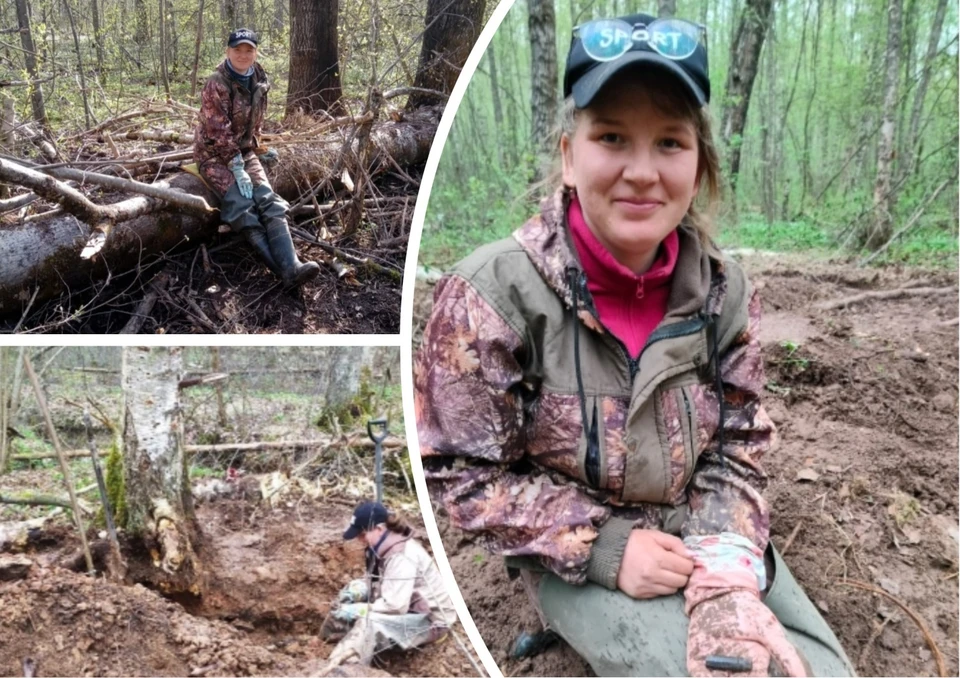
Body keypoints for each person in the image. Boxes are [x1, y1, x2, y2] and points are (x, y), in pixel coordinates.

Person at [415, 13, 855, 677]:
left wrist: (727, 577)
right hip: (567, 548)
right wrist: (606, 546)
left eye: (670, 143)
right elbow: (460, 472)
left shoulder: (723, 292)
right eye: (613, 137)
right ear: (569, 154)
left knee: (817, 671)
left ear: (700, 162)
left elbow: (739, 442)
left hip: (702, 524)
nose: (642, 172)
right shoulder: (493, 297)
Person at [194, 28, 320, 287]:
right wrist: (235, 164)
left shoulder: (259, 76)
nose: (243, 55)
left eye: (248, 49)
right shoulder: (216, 83)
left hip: (244, 150)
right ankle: (282, 272)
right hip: (214, 155)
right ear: (228, 51)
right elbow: (216, 130)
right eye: (237, 49)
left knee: (269, 200)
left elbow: (254, 118)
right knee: (242, 205)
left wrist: (257, 146)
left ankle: (292, 265)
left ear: (255, 51)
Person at [323, 501, 457, 670]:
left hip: (429, 621)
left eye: (362, 535)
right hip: (408, 604)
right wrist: (360, 589)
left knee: (368, 623)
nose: (359, 540)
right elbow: (380, 581)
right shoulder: (382, 546)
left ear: (379, 528)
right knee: (351, 594)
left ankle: (343, 669)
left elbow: (395, 605)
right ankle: (322, 643)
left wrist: (361, 609)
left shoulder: (401, 556)